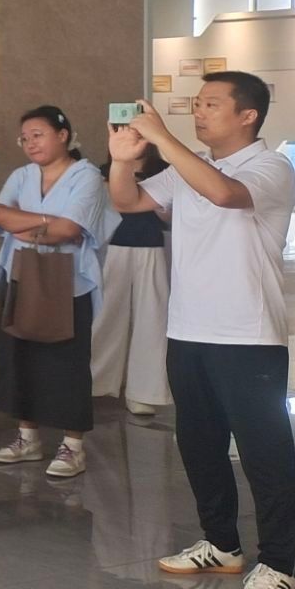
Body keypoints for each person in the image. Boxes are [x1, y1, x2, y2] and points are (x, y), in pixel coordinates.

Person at [111, 74, 295, 589]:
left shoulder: (271, 167)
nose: (198, 112)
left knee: (264, 451)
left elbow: (224, 194)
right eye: (195, 104)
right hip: (188, 329)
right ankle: (220, 544)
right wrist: (122, 160)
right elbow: (128, 201)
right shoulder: (188, 166)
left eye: (211, 104)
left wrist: (162, 137)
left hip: (248, 335)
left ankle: (279, 564)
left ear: (248, 115)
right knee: (198, 444)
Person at [0, 106, 113, 478]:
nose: (30, 143)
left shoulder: (86, 176)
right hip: (21, 274)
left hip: (69, 282)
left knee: (66, 363)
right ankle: (27, 438)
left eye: (38, 135)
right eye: (25, 138)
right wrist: (46, 223)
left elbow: (69, 230)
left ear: (63, 135)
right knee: (20, 356)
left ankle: (73, 446)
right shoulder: (22, 175)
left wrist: (27, 226)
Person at [91, 146, 172, 416]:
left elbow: (169, 213)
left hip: (152, 245)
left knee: (152, 318)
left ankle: (144, 391)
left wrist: (149, 196)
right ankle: (94, 382)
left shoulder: (163, 171)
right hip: (113, 246)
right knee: (105, 315)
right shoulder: (105, 171)